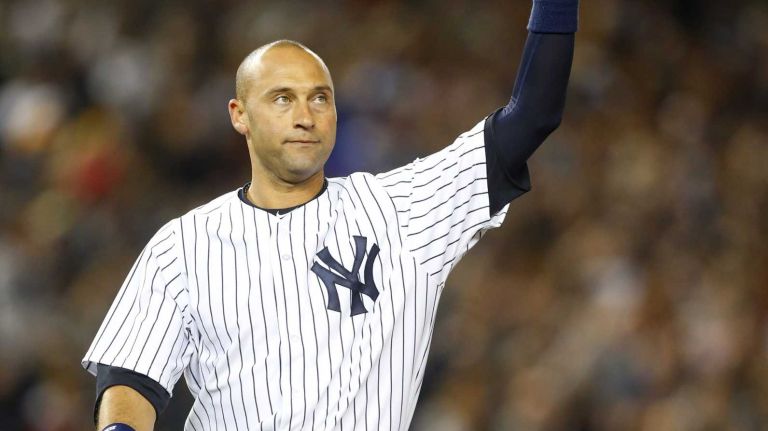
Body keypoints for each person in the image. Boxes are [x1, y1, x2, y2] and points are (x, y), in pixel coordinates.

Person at [82, 1, 579, 429]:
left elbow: (532, 117)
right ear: (240, 115)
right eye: (282, 99)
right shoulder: (184, 245)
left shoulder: (402, 209)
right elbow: (129, 378)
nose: (305, 116)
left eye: (320, 98)